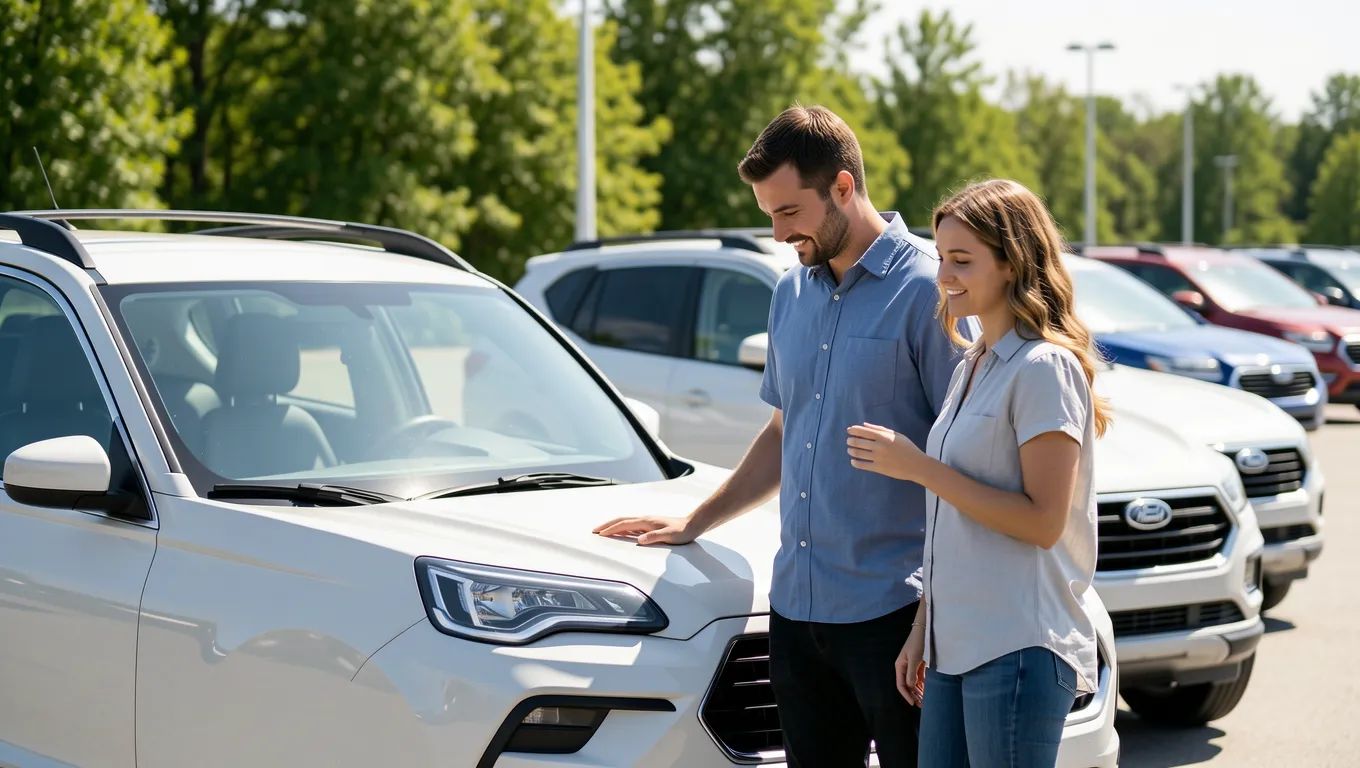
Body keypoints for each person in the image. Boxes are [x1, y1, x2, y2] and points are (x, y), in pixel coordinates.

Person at [593, 104, 973, 768]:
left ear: (844, 188)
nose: (775, 233)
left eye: (788, 212)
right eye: (768, 213)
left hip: (896, 615)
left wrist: (936, 609)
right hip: (795, 616)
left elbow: (965, 457)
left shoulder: (929, 290)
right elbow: (782, 431)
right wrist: (696, 520)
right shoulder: (790, 294)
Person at [846, 178, 1109, 768]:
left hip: (1017, 646)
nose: (944, 276)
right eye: (941, 258)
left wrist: (918, 468)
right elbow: (953, 528)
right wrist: (922, 630)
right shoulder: (974, 363)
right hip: (952, 647)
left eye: (962, 261)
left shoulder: (1045, 367)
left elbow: (1043, 522)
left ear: (1013, 264)